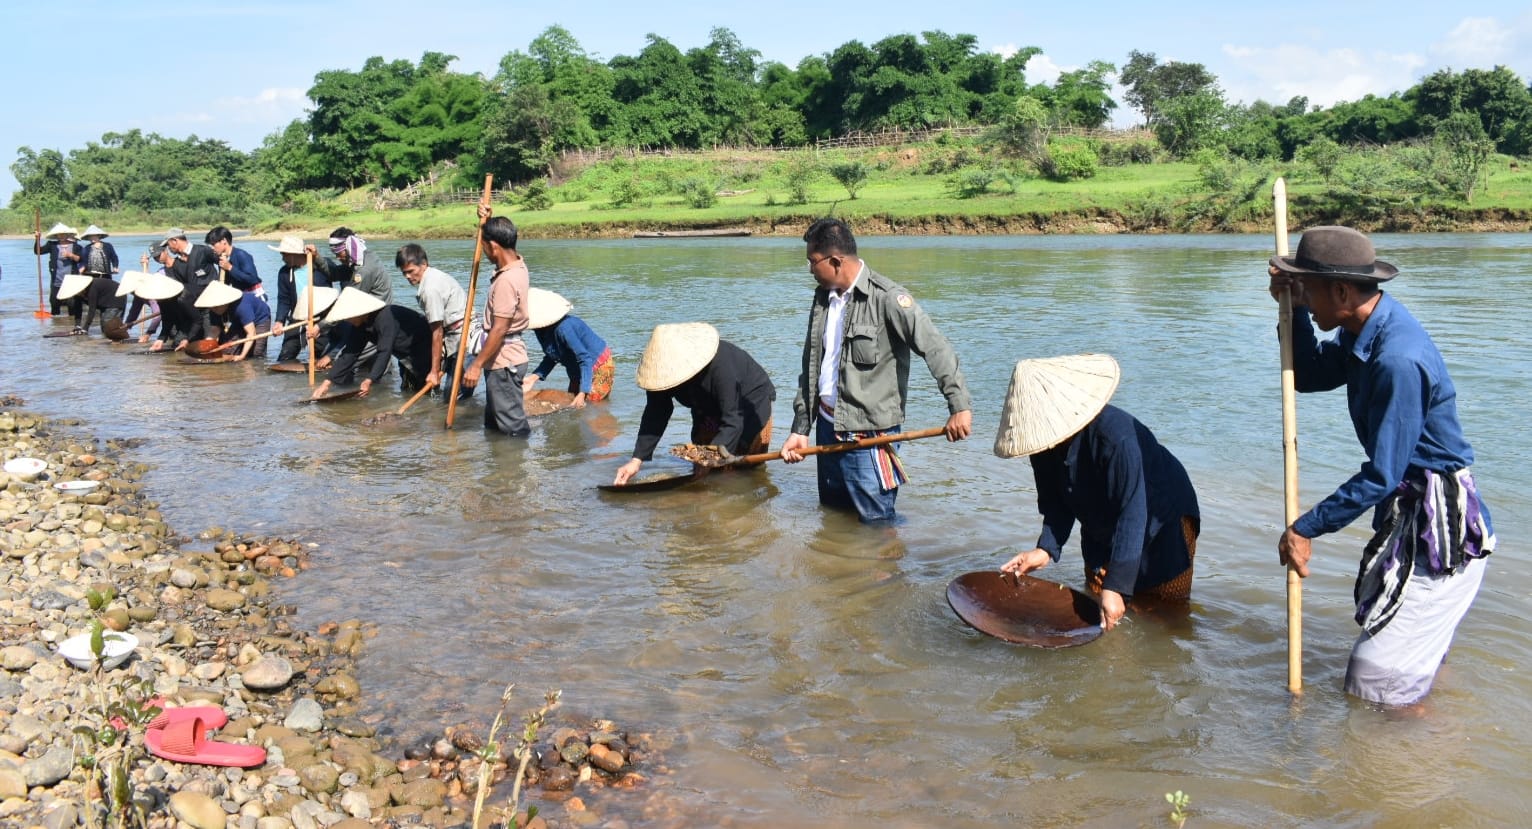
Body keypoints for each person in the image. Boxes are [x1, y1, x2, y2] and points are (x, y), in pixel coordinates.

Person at [1267, 225, 1495, 708]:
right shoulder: (1362, 331)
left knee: (1371, 687)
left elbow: (1382, 474)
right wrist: (1296, 310)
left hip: (1438, 530)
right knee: (1403, 680)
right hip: (1410, 512)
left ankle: (1403, 772)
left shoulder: (1396, 357)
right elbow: (1306, 375)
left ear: (1343, 291)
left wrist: (1306, 527)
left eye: (1307, 287)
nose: (1302, 294)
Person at [781, 217, 973, 523]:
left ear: (834, 261)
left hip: (869, 435)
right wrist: (800, 428)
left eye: (811, 262)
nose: (809, 270)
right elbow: (811, 369)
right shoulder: (822, 301)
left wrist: (959, 406)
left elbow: (935, 348)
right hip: (828, 429)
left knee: (877, 525)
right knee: (834, 520)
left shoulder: (888, 298)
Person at [994, 354, 1201, 631]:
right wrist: (1045, 549)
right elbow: (1056, 502)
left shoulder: (1116, 439)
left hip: (1161, 515)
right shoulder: (1042, 447)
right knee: (1097, 602)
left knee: (1165, 611)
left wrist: (1117, 586)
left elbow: (1133, 512)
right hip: (1102, 520)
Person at [613, 323, 774, 485]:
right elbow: (656, 413)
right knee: (703, 474)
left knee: (740, 476)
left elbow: (734, 420)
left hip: (748, 408)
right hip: (706, 410)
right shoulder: (662, 372)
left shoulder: (722, 367)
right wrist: (636, 460)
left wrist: (711, 460)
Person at [461, 206, 530, 436]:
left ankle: (515, 469)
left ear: (494, 247)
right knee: (493, 426)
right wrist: (484, 221)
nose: (485, 252)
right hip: (502, 359)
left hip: (504, 361)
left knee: (513, 430)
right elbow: (493, 242)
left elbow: (499, 329)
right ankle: (499, 467)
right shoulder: (517, 264)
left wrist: (475, 365)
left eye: (485, 247)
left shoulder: (506, 281)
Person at [311, 289, 433, 400]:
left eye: (348, 317)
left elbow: (384, 351)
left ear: (359, 312)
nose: (347, 321)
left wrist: (369, 379)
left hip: (423, 346)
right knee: (408, 389)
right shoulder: (360, 325)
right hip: (403, 354)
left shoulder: (385, 318)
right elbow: (350, 353)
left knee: (424, 388)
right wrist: (326, 383)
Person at [395, 243, 469, 397]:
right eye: (404, 273)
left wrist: (434, 371)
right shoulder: (433, 276)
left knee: (455, 396)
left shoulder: (430, 290)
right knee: (453, 393)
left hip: (462, 338)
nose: (407, 277)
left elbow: (437, 331)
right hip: (456, 334)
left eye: (410, 271)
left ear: (423, 264)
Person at [523, 288, 613, 408]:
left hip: (597, 365)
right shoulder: (540, 330)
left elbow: (585, 358)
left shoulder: (564, 328)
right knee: (571, 403)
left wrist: (583, 392)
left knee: (590, 406)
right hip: (575, 365)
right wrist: (533, 378)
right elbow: (552, 356)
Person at [268, 235, 337, 363]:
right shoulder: (284, 273)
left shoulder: (321, 266)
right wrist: (279, 321)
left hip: (322, 318)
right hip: (298, 318)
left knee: (320, 358)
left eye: (285, 255)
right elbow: (284, 299)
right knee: (285, 357)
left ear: (294, 254)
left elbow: (337, 280)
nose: (283, 258)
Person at [162, 227, 221, 343]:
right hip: (193, 310)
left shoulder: (203, 251)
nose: (168, 248)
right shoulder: (177, 263)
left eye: (169, 244)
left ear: (175, 241)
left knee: (208, 341)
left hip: (211, 306)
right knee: (182, 342)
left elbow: (222, 263)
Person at [310, 227, 392, 304]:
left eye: (339, 254)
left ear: (349, 248)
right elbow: (334, 274)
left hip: (376, 312)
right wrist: (316, 256)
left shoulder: (363, 269)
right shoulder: (359, 259)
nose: (337, 258)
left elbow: (352, 299)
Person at [196, 281, 271, 362]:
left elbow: (251, 333)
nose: (214, 309)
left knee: (256, 353)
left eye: (216, 307)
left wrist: (242, 356)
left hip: (259, 319)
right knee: (228, 351)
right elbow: (214, 331)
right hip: (235, 320)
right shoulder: (214, 309)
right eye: (212, 307)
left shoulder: (241, 307)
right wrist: (205, 348)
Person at [33, 222, 81, 316]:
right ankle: (55, 325)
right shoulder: (52, 245)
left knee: (71, 304)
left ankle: (72, 323)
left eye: (63, 234)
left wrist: (70, 255)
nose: (61, 236)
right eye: (59, 234)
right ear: (56, 235)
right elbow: (38, 251)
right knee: (54, 302)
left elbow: (80, 259)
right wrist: (37, 239)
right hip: (56, 279)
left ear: (68, 234)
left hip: (71, 280)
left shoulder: (76, 246)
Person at [206, 226, 264, 300]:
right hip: (240, 296)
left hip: (255, 295)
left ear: (224, 241)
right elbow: (226, 283)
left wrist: (230, 268)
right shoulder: (223, 259)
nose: (212, 248)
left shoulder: (241, 255)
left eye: (213, 244)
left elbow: (252, 279)